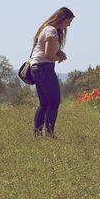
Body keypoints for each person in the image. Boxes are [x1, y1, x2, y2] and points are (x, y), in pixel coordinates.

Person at [30, 7, 75, 137]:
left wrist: (59, 53)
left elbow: (48, 50)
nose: (69, 25)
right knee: (54, 101)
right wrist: (60, 57)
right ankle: (49, 134)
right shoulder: (52, 31)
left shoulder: (47, 29)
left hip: (37, 67)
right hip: (44, 67)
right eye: (69, 21)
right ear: (62, 19)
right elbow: (49, 55)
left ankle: (38, 133)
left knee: (44, 103)